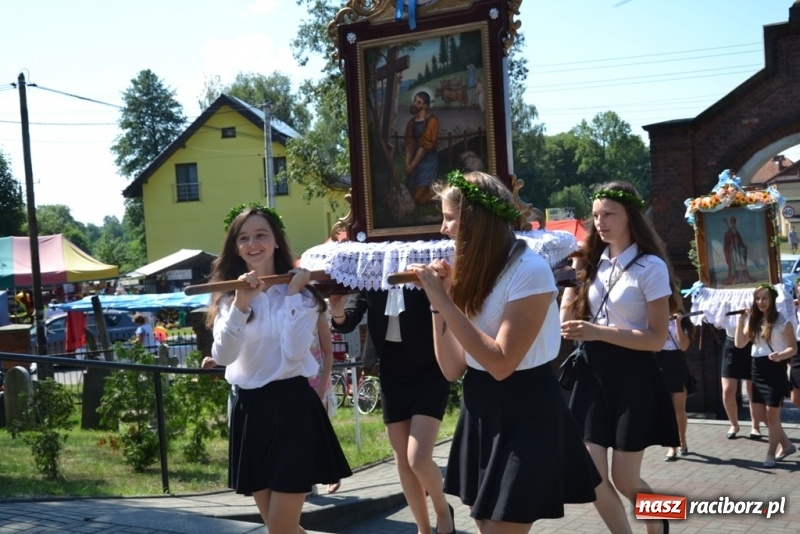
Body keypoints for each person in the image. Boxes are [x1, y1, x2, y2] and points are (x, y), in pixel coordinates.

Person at [410, 171, 601, 533]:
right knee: (487, 524)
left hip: (528, 408)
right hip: (482, 406)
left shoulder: (530, 270)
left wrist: (444, 300)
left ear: (474, 220)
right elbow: (451, 369)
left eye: (449, 217)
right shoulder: (475, 271)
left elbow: (501, 363)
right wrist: (441, 304)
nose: (443, 228)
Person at [206, 203, 351, 533]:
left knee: (282, 528)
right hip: (249, 410)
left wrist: (293, 298)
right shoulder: (227, 299)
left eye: (261, 235)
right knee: (279, 527)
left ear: (275, 241)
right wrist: (242, 303)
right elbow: (224, 356)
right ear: (235, 247)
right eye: (243, 238)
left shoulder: (304, 296)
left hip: (292, 408)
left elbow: (293, 353)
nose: (252, 244)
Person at [560, 181, 679, 534]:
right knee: (591, 476)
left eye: (609, 213)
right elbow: (567, 324)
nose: (600, 221)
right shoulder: (595, 264)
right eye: (596, 214)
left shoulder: (650, 266)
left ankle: (661, 521)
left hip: (633, 376)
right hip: (592, 376)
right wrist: (573, 280)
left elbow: (657, 339)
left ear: (631, 215)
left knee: (625, 479)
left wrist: (598, 333)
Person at [329, 287, 455, 534]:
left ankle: (443, 512)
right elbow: (348, 320)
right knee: (403, 461)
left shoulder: (422, 254)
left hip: (430, 365)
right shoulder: (373, 265)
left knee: (417, 458)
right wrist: (337, 311)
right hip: (391, 369)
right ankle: (423, 529)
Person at [734, 283, 797, 467]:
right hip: (757, 368)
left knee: (772, 417)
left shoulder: (782, 322)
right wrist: (741, 320)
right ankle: (786, 445)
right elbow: (739, 343)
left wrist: (781, 355)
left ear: (772, 300)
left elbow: (793, 348)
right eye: (758, 298)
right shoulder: (754, 321)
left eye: (764, 298)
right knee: (761, 415)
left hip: (774, 368)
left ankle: (770, 454)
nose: (760, 302)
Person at [656, 308, 696, 461]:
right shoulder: (657, 320)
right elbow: (655, 344)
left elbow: (684, 346)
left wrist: (677, 323)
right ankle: (671, 446)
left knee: (679, 411)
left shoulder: (683, 323)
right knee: (666, 410)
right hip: (660, 363)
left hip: (677, 366)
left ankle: (682, 441)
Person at [307, 314, 341, 495]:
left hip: (317, 379)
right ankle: (308, 481)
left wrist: (322, 386)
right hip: (294, 380)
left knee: (319, 431)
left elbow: (329, 354)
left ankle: (332, 473)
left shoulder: (317, 313)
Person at [720, 316, 764, 441]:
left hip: (752, 344)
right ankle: (734, 424)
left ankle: (755, 426)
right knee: (727, 391)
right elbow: (717, 323)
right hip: (731, 344)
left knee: (752, 391)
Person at [404, 90, 440, 205]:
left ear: (425, 106)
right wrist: (408, 163)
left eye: (419, 102)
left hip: (428, 162)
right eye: (415, 100)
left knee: (419, 198)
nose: (414, 104)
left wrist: (412, 165)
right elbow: (409, 143)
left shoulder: (432, 121)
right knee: (409, 193)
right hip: (415, 160)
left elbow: (424, 146)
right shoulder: (411, 122)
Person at [723, 216, 755, 285]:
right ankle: (735, 279)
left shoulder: (737, 233)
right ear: (730, 225)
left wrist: (743, 247)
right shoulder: (727, 234)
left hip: (738, 252)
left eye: (734, 225)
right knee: (734, 266)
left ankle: (742, 278)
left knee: (741, 265)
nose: (733, 226)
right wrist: (730, 244)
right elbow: (726, 244)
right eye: (732, 225)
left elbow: (740, 242)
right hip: (733, 253)